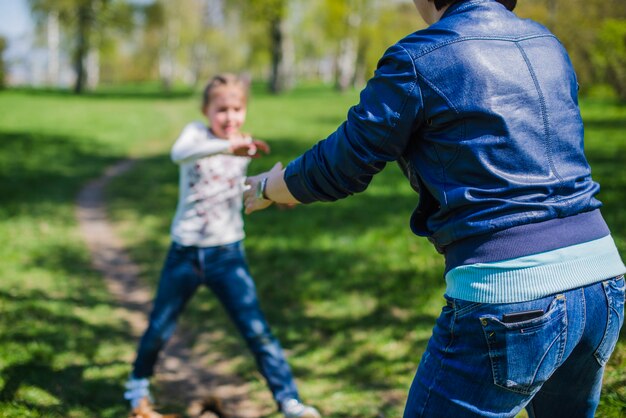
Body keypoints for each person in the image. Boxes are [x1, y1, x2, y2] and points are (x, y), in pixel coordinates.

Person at [243, 1, 626, 417]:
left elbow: (345, 161)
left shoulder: (419, 57)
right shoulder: (548, 44)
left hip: (511, 294)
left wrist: (268, 187)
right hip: (602, 279)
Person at [124, 73, 321, 418]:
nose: (229, 117)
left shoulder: (241, 144)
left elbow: (242, 188)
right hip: (184, 252)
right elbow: (178, 154)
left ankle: (289, 401)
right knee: (159, 326)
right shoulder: (196, 135)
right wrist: (229, 147)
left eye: (237, 108)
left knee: (256, 330)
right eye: (221, 109)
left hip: (227, 255)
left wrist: (276, 194)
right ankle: (137, 386)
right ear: (206, 110)